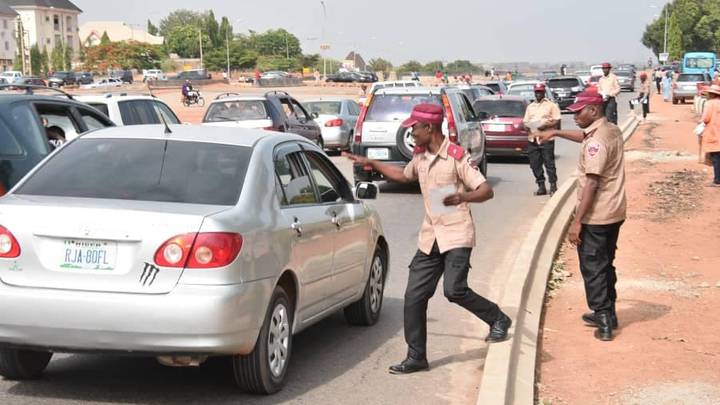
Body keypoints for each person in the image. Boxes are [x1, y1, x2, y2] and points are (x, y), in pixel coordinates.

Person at [343, 104, 512, 374]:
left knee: (454, 290)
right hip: (430, 235)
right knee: (414, 296)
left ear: (429, 128)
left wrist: (463, 196)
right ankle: (416, 357)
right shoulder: (421, 157)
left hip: (456, 233)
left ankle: (498, 318)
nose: (411, 132)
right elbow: (403, 175)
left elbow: (485, 190)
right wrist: (373, 164)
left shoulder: (456, 156)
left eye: (414, 127)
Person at [536, 91, 627, 341]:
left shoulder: (597, 142)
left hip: (597, 215)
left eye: (579, 111)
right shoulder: (609, 130)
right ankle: (610, 311)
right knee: (606, 263)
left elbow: (592, 184)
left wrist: (577, 222)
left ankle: (604, 319)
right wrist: (555, 132)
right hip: (615, 211)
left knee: (593, 267)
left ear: (594, 111)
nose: (574, 116)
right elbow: (583, 137)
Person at [523, 83, 561, 195]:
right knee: (535, 164)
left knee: (549, 163)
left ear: (544, 92)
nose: (538, 94)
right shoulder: (530, 106)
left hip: (546, 138)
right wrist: (526, 127)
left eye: (540, 92)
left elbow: (556, 120)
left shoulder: (551, 105)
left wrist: (546, 125)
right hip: (532, 139)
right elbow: (525, 121)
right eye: (536, 92)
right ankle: (541, 185)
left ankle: (553, 185)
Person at [700, 84, 720, 187]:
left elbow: (705, 119)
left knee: (716, 158)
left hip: (714, 133)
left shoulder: (710, 104)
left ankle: (717, 180)